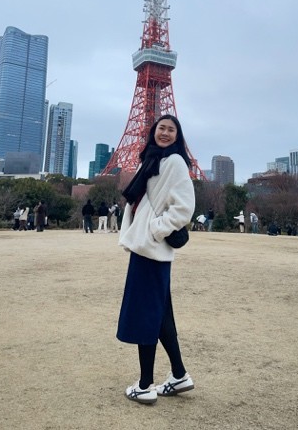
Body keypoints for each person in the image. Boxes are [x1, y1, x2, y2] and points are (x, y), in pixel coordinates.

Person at [117, 114, 195, 404]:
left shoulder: (174, 162)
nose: (165, 133)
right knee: (161, 316)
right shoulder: (151, 159)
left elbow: (184, 208)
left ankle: (145, 384)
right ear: (153, 131)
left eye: (171, 129)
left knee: (145, 314)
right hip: (145, 245)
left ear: (178, 136)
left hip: (151, 247)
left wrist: (156, 229)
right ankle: (179, 375)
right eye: (161, 128)